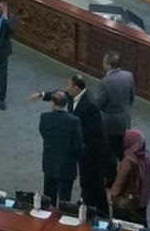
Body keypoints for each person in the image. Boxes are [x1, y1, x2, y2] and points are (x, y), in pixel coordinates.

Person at [31, 74, 109, 213]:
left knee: (89, 180)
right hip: (75, 140)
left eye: (69, 85)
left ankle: (91, 206)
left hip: (89, 148)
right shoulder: (72, 95)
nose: (66, 88)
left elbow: (95, 132)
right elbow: (59, 95)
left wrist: (76, 139)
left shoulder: (90, 105)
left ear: (76, 88)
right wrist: (42, 95)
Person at [38, 90, 82, 204]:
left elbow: (44, 133)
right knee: (65, 199)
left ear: (52, 103)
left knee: (48, 197)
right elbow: (78, 144)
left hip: (50, 162)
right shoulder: (74, 121)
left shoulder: (44, 117)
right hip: (68, 164)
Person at [108, 129, 150, 225]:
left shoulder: (129, 161)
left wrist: (111, 196)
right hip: (143, 200)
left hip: (128, 203)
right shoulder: (148, 158)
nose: (124, 142)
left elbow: (119, 183)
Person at [97, 51, 135, 167]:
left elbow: (100, 104)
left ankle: (112, 178)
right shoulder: (128, 75)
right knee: (122, 148)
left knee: (110, 151)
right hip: (125, 119)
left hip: (111, 123)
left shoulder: (105, 82)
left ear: (108, 65)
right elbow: (131, 97)